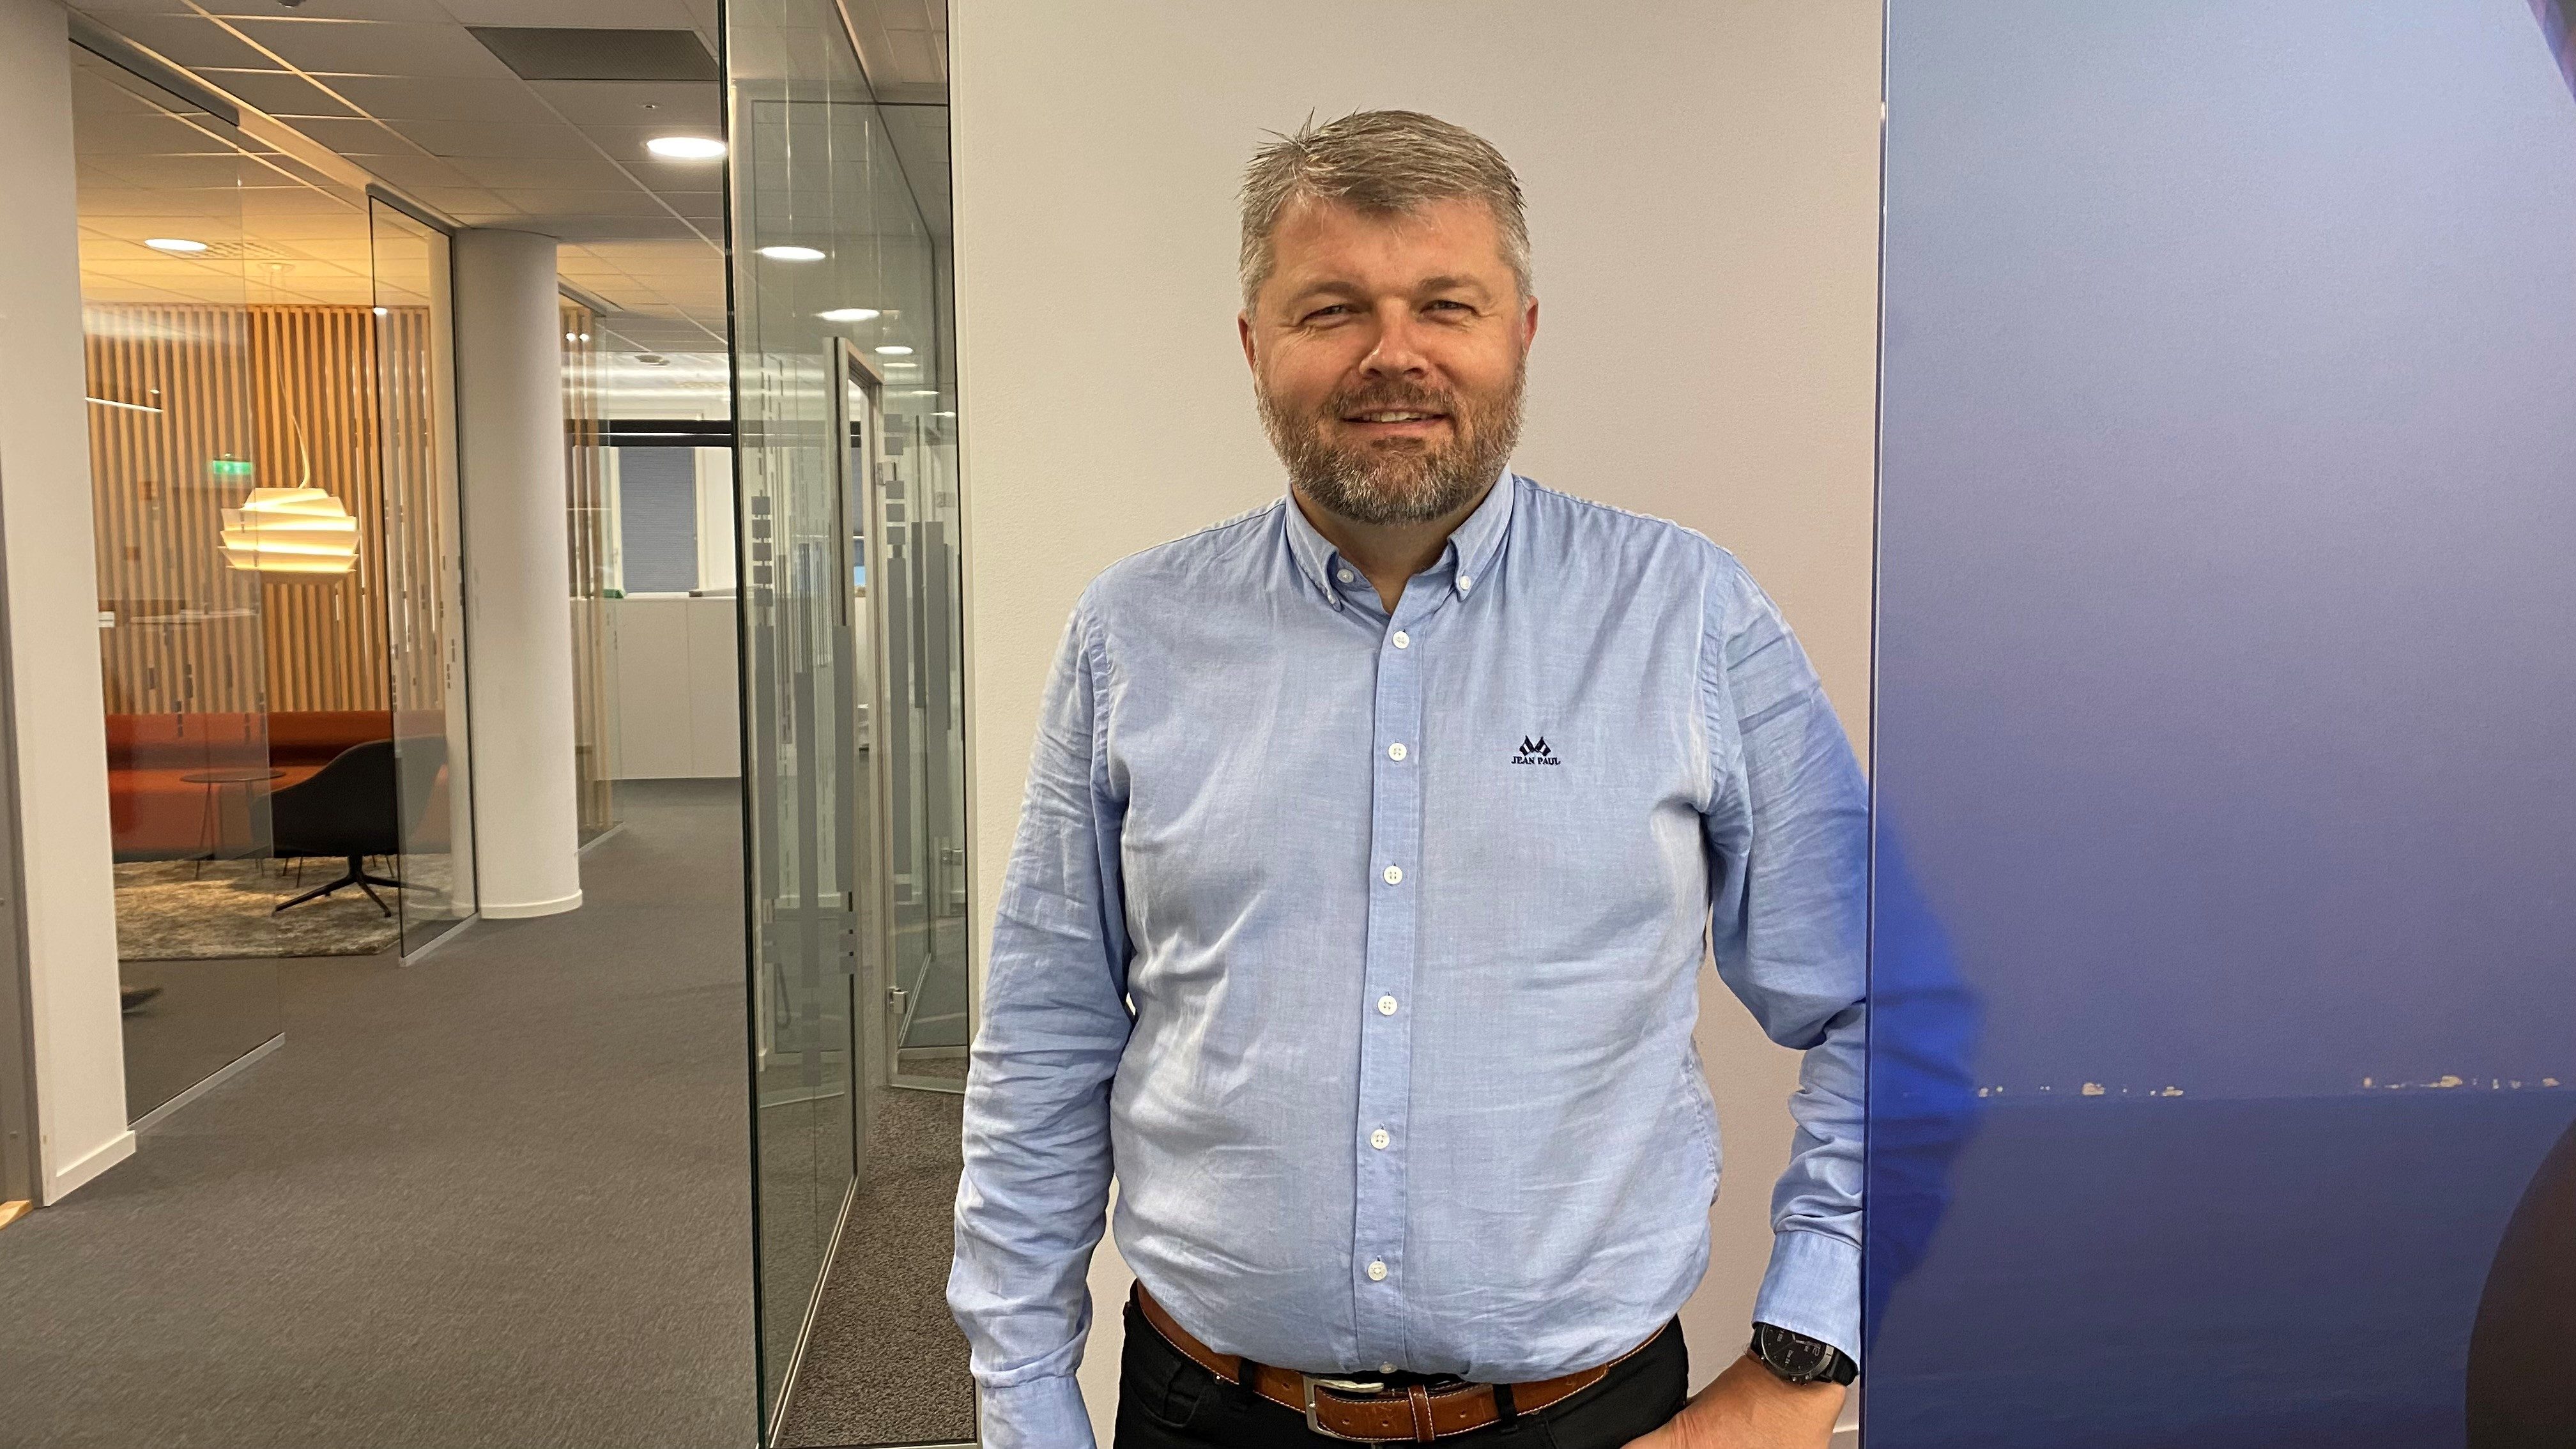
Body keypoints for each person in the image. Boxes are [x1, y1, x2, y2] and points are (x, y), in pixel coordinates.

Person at [950, 109, 1865, 1449]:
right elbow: (1044, 1046)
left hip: (1589, 1422)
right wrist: (1028, 1403)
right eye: (1333, 309)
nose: (1395, 354)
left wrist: (1798, 1371)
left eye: (1447, 304)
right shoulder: (1131, 636)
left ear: (1522, 333)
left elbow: (1880, 1006)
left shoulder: (1689, 617)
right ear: (1254, 345)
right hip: (1206, 1414)